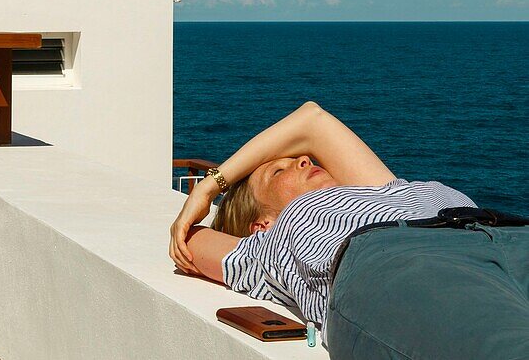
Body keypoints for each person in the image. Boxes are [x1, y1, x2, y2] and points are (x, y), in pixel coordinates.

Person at [169, 101, 529, 359]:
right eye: (278, 173)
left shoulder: (383, 187)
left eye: (299, 159)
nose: (304, 158)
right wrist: (199, 204)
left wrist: (209, 185)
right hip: (404, 264)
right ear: (263, 224)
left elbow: (311, 121)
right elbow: (191, 242)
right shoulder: (270, 246)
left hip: (507, 235)